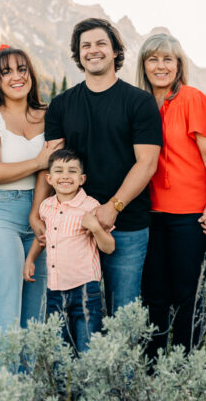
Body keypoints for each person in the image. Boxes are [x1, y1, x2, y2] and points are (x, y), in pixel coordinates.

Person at [35, 18, 162, 316]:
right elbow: (49, 164)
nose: (93, 50)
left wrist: (113, 207)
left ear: (116, 51)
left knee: (123, 314)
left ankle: (123, 367)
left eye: (101, 43)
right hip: (72, 228)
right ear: (78, 54)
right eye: (86, 45)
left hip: (127, 225)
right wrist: (35, 211)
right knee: (75, 311)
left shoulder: (139, 102)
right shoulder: (62, 105)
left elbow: (147, 163)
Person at [0, 46, 62, 348]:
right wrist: (37, 162)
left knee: (36, 312)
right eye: (6, 72)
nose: (16, 77)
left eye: (22, 69)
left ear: (31, 73)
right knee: (4, 307)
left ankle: (25, 391)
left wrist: (37, 212)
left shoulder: (49, 116)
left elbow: (53, 171)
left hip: (41, 215)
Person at [136, 32, 206, 360]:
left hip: (192, 216)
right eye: (153, 59)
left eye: (167, 59)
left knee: (188, 298)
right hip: (150, 215)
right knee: (154, 297)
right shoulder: (140, 103)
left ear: (178, 64)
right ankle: (154, 371)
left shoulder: (192, 99)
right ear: (143, 65)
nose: (160, 66)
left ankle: (185, 372)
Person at [24, 149, 114, 352]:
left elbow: (109, 247)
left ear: (82, 179)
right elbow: (43, 239)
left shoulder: (91, 206)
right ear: (49, 178)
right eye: (59, 171)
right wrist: (30, 259)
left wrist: (96, 227)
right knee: (60, 349)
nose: (65, 176)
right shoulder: (46, 206)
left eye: (72, 171)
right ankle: (63, 384)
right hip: (55, 289)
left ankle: (90, 384)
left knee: (88, 346)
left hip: (84, 289)